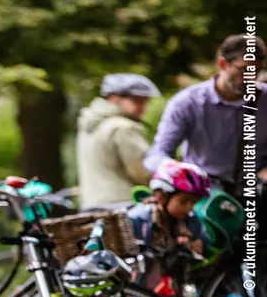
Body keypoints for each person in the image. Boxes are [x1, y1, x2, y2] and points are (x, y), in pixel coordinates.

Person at [144, 34, 267, 194]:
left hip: (257, 192)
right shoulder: (187, 102)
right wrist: (177, 171)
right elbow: (158, 153)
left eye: (256, 70)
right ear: (223, 64)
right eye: (243, 69)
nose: (251, 77)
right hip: (205, 194)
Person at [77, 74, 160, 209]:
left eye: (146, 101)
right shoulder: (123, 127)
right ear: (114, 98)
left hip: (91, 204)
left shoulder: (89, 123)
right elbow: (143, 171)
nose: (143, 106)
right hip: (124, 206)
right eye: (137, 100)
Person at [128, 161, 212, 261]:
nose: (190, 208)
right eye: (184, 201)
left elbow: (203, 236)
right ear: (161, 197)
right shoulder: (137, 221)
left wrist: (198, 243)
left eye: (194, 202)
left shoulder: (189, 220)